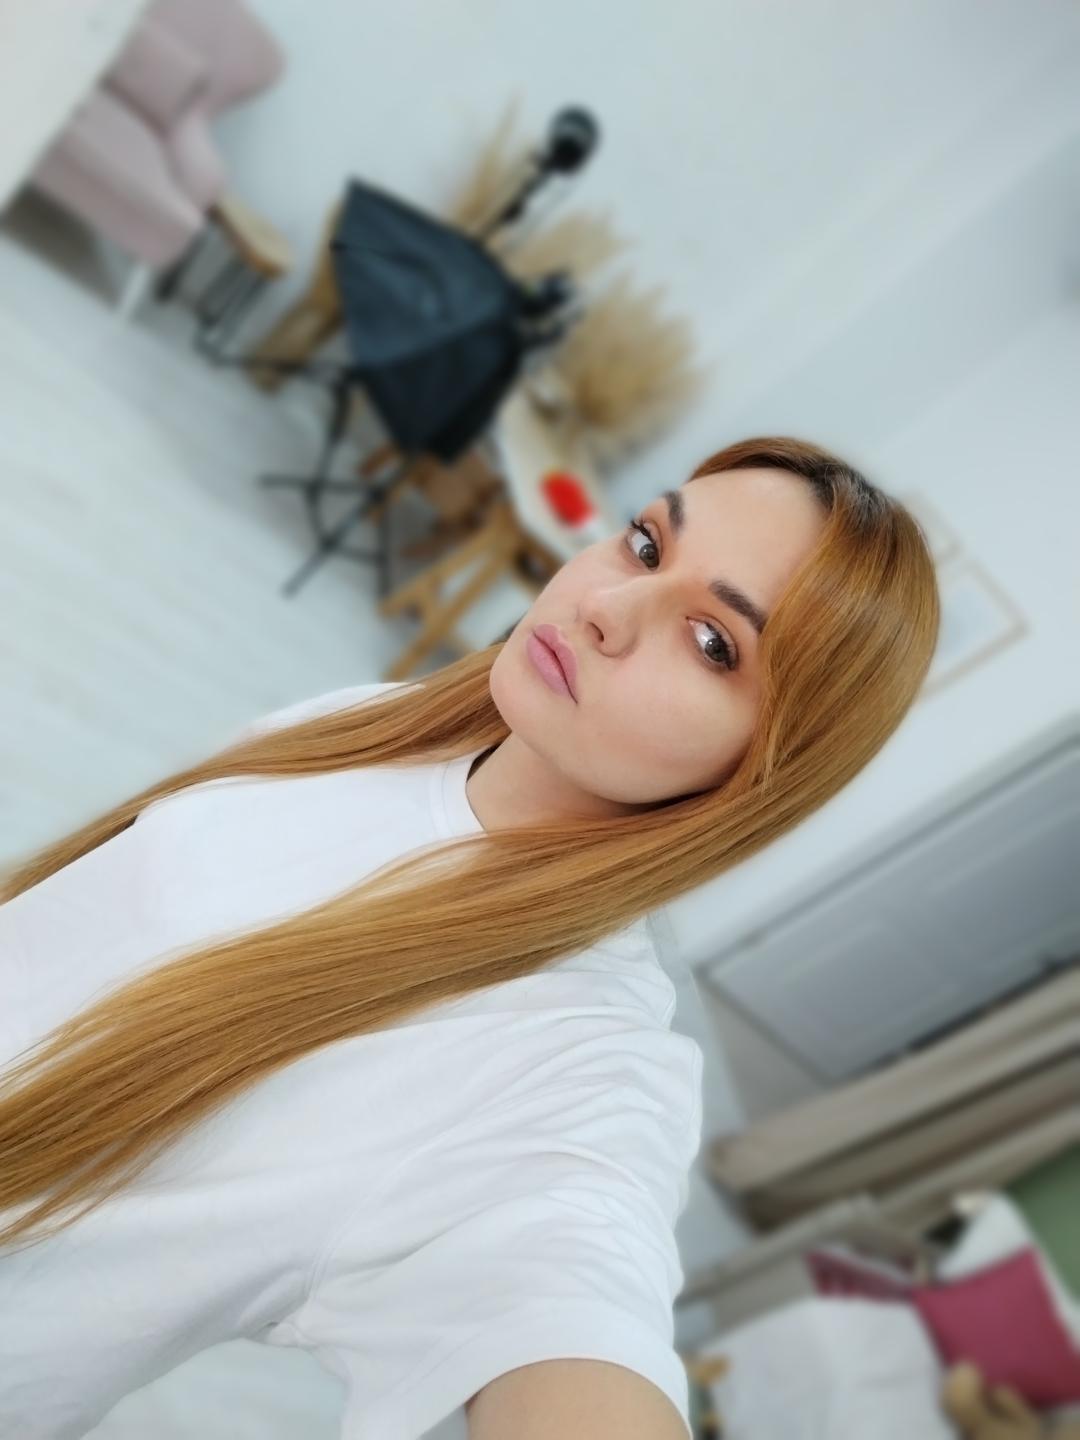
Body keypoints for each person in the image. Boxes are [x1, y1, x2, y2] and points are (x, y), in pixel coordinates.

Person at [0, 436, 940, 1439]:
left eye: (714, 642)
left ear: (765, 766)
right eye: (645, 544)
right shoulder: (380, 726)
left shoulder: (568, 1070)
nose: (608, 606)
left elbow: (573, 1289)